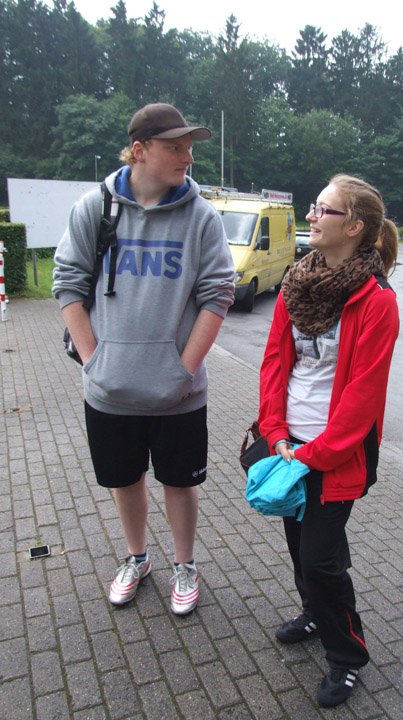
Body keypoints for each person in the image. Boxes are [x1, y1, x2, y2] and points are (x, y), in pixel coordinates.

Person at [53, 103, 235, 615]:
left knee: (180, 481)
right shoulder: (94, 209)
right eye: (175, 147)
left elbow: (218, 293)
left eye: (190, 147)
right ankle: (137, 558)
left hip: (178, 393)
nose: (188, 157)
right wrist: (94, 362)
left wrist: (184, 369)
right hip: (109, 390)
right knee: (124, 479)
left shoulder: (200, 217)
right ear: (139, 150)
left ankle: (185, 565)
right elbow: (67, 283)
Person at [258, 174, 399, 708]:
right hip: (289, 442)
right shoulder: (296, 283)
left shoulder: (377, 300)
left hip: (336, 453)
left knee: (321, 559)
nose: (312, 216)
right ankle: (316, 613)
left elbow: (364, 395)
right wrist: (274, 432)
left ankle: (347, 656)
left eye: (324, 210)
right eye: (314, 207)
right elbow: (275, 361)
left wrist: (312, 454)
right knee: (300, 547)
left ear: (355, 226)